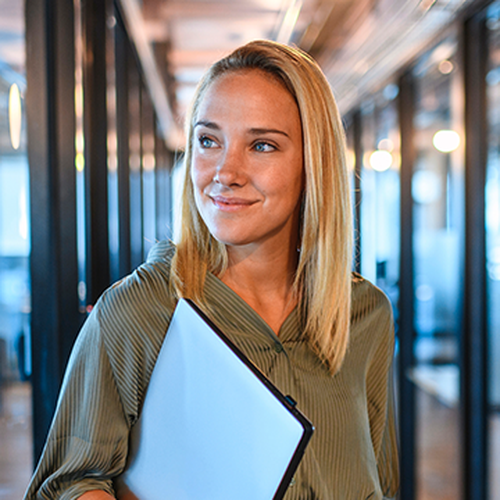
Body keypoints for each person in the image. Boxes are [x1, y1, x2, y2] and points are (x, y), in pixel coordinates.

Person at [24, 40, 399, 500]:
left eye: (261, 145)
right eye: (208, 140)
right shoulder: (141, 310)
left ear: (313, 163)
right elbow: (67, 483)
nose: (226, 171)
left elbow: (380, 482)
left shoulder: (364, 314)